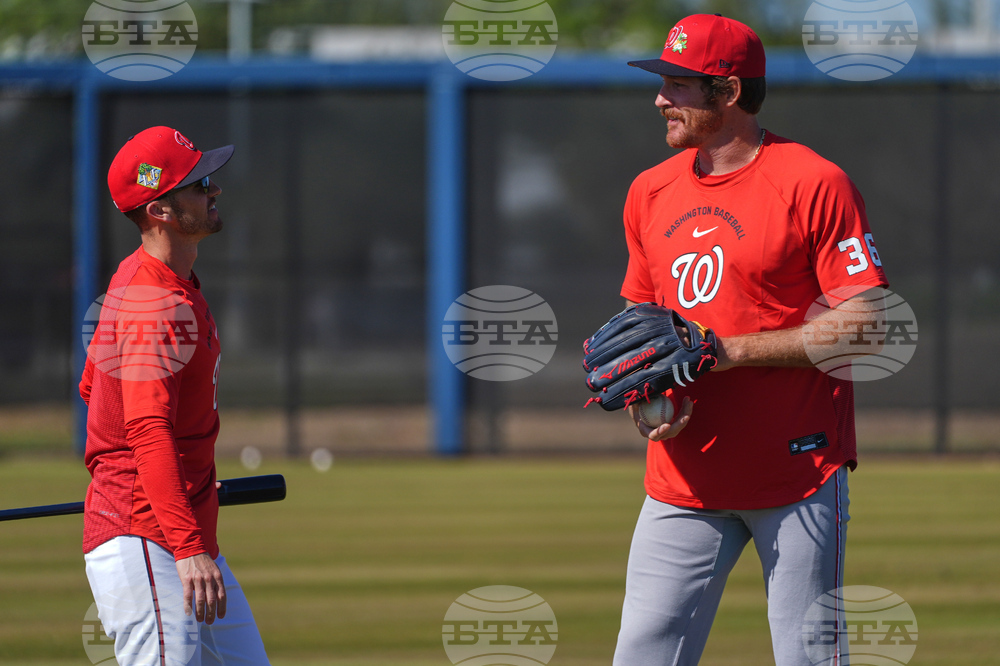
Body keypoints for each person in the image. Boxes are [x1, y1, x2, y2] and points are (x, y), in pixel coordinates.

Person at [610, 14, 889, 666]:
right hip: (681, 479)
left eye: (679, 84)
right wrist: (642, 388)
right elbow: (639, 328)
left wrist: (724, 350)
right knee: (641, 656)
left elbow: (866, 324)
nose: (660, 99)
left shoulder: (813, 182)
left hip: (795, 472)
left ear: (729, 91)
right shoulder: (648, 191)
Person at [80, 126, 270, 665]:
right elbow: (144, 428)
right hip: (151, 540)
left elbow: (94, 390)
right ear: (161, 211)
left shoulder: (161, 282)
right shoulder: (152, 300)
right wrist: (186, 548)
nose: (214, 191)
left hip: (177, 536)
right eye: (199, 183)